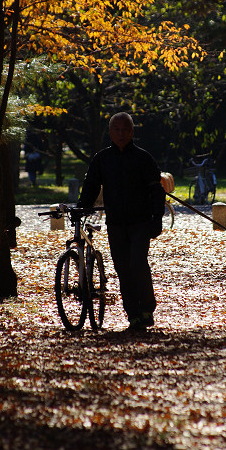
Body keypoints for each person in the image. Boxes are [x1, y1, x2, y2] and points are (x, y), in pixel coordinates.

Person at [78, 112, 166, 331]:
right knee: (123, 269)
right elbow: (91, 186)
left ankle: (147, 309)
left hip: (140, 222)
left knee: (137, 264)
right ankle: (133, 314)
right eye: (116, 129)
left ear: (132, 132)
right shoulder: (102, 159)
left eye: (125, 129)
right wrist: (82, 207)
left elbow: (157, 190)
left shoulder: (144, 158)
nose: (121, 133)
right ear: (110, 132)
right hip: (116, 223)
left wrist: (157, 218)